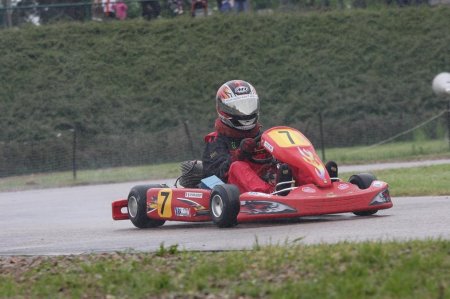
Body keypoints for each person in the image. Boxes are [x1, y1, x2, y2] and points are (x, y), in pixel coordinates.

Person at [202, 80, 282, 194]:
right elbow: (212, 174)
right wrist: (239, 154)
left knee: (286, 162)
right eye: (237, 108)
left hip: (265, 180)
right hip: (232, 193)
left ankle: (311, 186)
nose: (245, 113)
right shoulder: (215, 141)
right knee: (237, 166)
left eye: (249, 106)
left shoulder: (262, 136)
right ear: (223, 110)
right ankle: (269, 196)